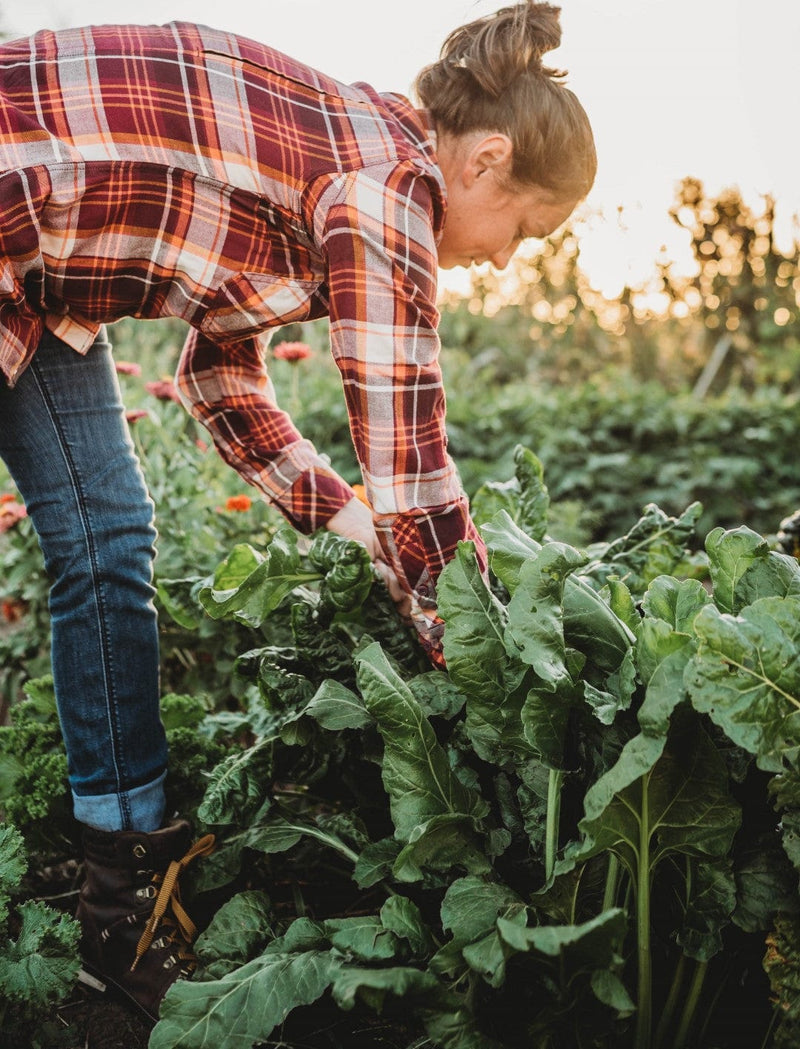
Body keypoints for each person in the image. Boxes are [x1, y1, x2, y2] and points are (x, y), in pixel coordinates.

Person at [0, 0, 596, 1022]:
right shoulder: (385, 190)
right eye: (524, 230)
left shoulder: (347, 164)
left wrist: (352, 527)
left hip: (46, 272)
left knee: (109, 541)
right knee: (106, 541)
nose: (503, 258)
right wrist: (487, 658)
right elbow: (410, 464)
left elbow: (219, 377)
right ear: (487, 160)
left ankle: (121, 901)